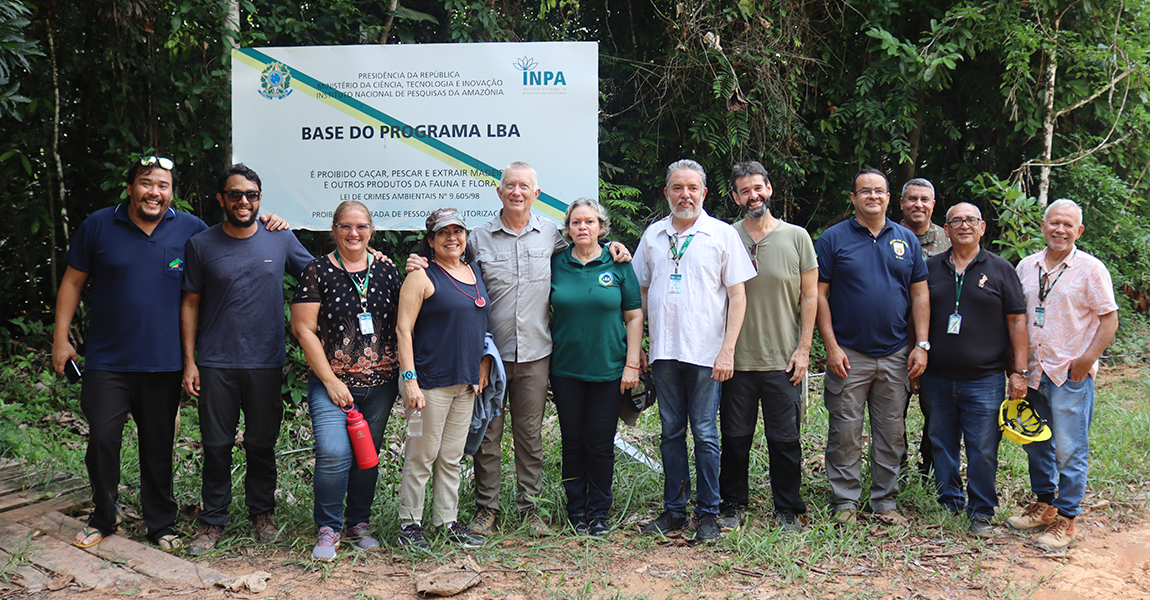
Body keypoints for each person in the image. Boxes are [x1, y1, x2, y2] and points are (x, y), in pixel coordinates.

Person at [52, 156, 284, 551]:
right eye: (146, 183)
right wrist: (61, 339)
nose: (154, 192)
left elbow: (235, 237)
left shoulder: (191, 230)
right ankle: (102, 517)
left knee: (158, 447)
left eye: (163, 185)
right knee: (104, 439)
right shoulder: (98, 225)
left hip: (164, 362)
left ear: (172, 192)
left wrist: (268, 223)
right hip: (108, 360)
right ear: (130, 188)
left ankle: (160, 523)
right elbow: (73, 282)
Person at [407, 162, 629, 537]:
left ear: (535, 194)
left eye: (524, 186)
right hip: (489, 357)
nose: (516, 192)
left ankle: (531, 509)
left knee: (530, 435)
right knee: (487, 435)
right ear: (499, 192)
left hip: (538, 353)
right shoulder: (476, 237)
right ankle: (486, 510)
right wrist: (418, 262)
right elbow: (449, 268)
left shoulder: (551, 235)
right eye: (510, 185)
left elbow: (585, 247)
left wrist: (612, 247)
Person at [180, 163, 312, 555]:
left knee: (261, 443)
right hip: (217, 361)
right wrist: (190, 362)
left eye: (251, 195)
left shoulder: (280, 238)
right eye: (235, 194)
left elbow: (321, 276)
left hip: (266, 362)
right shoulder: (201, 245)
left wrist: (371, 258)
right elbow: (189, 304)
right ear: (221, 198)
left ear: (260, 199)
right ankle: (213, 521)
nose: (243, 201)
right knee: (217, 444)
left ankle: (262, 515)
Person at [634, 159, 755, 542]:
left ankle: (707, 514)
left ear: (704, 193)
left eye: (692, 188)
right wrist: (638, 349)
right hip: (665, 352)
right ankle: (673, 512)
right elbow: (637, 292)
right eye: (677, 188)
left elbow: (738, 296)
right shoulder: (653, 235)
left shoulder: (721, 235)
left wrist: (727, 350)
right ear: (667, 192)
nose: (684, 195)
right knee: (670, 433)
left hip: (706, 354)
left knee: (704, 434)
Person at [815, 168, 929, 526]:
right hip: (849, 353)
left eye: (879, 191)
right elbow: (818, 294)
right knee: (845, 432)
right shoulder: (834, 239)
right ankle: (845, 502)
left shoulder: (906, 240)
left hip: (896, 353)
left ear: (888, 198)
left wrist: (921, 344)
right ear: (853, 199)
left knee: (891, 433)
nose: (872, 196)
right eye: (864, 191)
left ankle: (885, 501)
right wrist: (831, 347)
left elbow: (920, 293)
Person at [290, 201, 402, 561]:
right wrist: (330, 380)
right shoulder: (317, 271)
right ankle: (328, 526)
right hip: (331, 385)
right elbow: (303, 330)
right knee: (335, 453)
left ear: (372, 230)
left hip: (381, 384)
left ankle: (359, 522)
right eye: (345, 226)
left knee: (367, 457)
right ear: (333, 229)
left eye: (361, 226)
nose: (354, 233)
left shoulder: (386, 269)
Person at [1006, 198, 1118, 551]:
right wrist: (1017, 368)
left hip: (1069, 375)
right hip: (1033, 371)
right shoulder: (1025, 266)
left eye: (1068, 225)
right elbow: (1017, 319)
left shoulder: (1090, 269)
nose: (1060, 229)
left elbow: (1108, 318)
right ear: (1043, 226)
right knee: (1037, 442)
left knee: (1070, 448)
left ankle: (1067, 519)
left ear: (1079, 231)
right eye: (1055, 223)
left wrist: (1086, 360)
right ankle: (1045, 504)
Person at [717, 162, 817, 534]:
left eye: (758, 188)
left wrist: (804, 349)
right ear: (735, 197)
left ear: (770, 189)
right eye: (744, 190)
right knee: (735, 438)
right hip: (736, 359)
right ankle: (733, 505)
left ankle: (788, 508)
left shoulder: (796, 237)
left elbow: (810, 296)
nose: (753, 195)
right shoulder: (725, 236)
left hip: (783, 357)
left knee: (785, 439)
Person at [917, 202, 1028, 536]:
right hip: (936, 376)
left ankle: (981, 510)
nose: (964, 225)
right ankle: (950, 499)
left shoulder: (1000, 268)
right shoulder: (930, 268)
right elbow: (917, 315)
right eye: (956, 221)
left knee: (982, 447)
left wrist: (1019, 371)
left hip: (986, 378)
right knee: (941, 441)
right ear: (946, 230)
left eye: (971, 220)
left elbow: (1017, 321)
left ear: (982, 228)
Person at [395, 208, 491, 552]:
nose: (452, 238)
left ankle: (447, 521)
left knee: (451, 457)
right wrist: (409, 380)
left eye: (458, 231)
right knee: (421, 456)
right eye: (443, 233)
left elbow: (479, 324)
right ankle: (410, 524)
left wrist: (482, 364)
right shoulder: (421, 276)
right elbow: (403, 329)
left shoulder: (474, 270)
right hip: (429, 382)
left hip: (465, 382)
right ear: (431, 240)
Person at [549, 199, 643, 538]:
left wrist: (632, 363)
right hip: (565, 369)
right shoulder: (556, 263)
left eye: (590, 222)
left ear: (602, 227)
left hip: (609, 369)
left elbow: (634, 316)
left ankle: (599, 512)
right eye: (576, 222)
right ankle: (576, 510)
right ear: (568, 229)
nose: (583, 227)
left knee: (600, 442)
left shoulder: (618, 263)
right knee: (572, 440)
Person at [898, 177, 950, 477]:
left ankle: (932, 468)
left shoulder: (948, 237)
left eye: (925, 199)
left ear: (933, 204)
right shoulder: (886, 234)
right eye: (912, 199)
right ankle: (897, 469)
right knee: (892, 411)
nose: (918, 204)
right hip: (893, 337)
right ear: (902, 203)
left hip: (937, 338)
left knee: (938, 411)